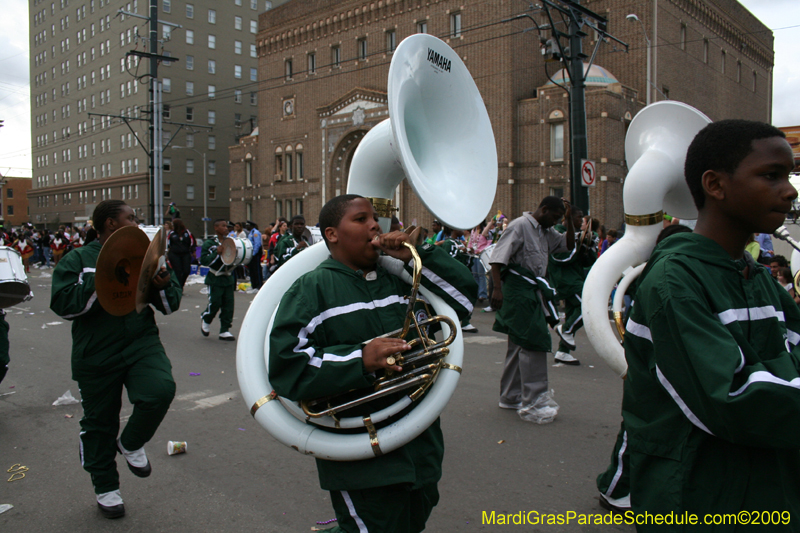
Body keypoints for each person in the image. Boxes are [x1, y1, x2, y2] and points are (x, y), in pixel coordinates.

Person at [620, 120, 800, 527]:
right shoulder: (673, 281)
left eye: (787, 176)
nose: (789, 190)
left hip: (767, 490)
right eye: (771, 175)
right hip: (699, 499)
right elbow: (731, 395)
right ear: (715, 186)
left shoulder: (758, 278)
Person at [269, 194, 476, 533]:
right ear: (332, 234)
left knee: (411, 521)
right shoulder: (311, 289)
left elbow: (464, 303)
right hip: (362, 454)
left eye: (373, 219)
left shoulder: (401, 276)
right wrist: (360, 359)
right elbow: (287, 368)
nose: (373, 225)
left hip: (420, 441)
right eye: (360, 219)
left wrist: (417, 254)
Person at [50, 200, 181, 519]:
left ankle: (132, 442)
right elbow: (62, 305)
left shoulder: (144, 255)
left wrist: (162, 285)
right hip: (96, 352)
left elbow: (169, 304)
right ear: (110, 223)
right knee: (99, 423)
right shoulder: (78, 260)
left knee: (160, 390)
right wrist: (102, 282)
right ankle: (106, 487)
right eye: (130, 218)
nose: (136, 223)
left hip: (140, 342)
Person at [490, 196, 575, 424]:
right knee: (533, 342)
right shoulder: (519, 226)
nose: (555, 222)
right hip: (519, 292)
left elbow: (568, 245)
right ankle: (534, 401)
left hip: (532, 292)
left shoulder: (545, 231)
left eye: (560, 218)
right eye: (555, 217)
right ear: (544, 209)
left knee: (518, 345)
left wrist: (570, 221)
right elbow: (497, 260)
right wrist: (497, 289)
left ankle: (510, 396)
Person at [548, 209, 598, 366]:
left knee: (573, 313)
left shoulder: (575, 235)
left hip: (574, 278)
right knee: (588, 307)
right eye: (578, 218)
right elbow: (560, 257)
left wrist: (588, 247)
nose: (581, 221)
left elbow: (586, 262)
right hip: (566, 281)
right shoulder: (558, 232)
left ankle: (563, 352)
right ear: (567, 218)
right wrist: (577, 245)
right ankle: (566, 330)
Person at [200, 219, 237, 341]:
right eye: (223, 226)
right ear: (216, 228)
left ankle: (225, 330)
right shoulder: (210, 243)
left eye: (227, 226)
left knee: (228, 305)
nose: (226, 228)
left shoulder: (231, 242)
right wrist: (216, 252)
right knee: (215, 303)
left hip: (227, 278)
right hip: (215, 278)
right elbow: (204, 261)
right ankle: (206, 319)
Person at [167, 219, 195, 288]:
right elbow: (167, 243)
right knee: (177, 271)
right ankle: (178, 287)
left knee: (186, 271)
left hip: (185, 254)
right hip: (174, 254)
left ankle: (181, 283)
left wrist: (193, 251)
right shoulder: (171, 233)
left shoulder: (187, 232)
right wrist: (167, 253)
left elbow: (192, 242)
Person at [246, 221, 263, 290]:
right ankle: (254, 285)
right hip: (251, 254)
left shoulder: (255, 233)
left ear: (251, 226)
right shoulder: (251, 232)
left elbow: (257, 244)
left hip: (255, 254)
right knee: (252, 270)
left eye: (248, 225)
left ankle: (258, 285)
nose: (246, 227)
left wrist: (254, 254)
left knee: (256, 270)